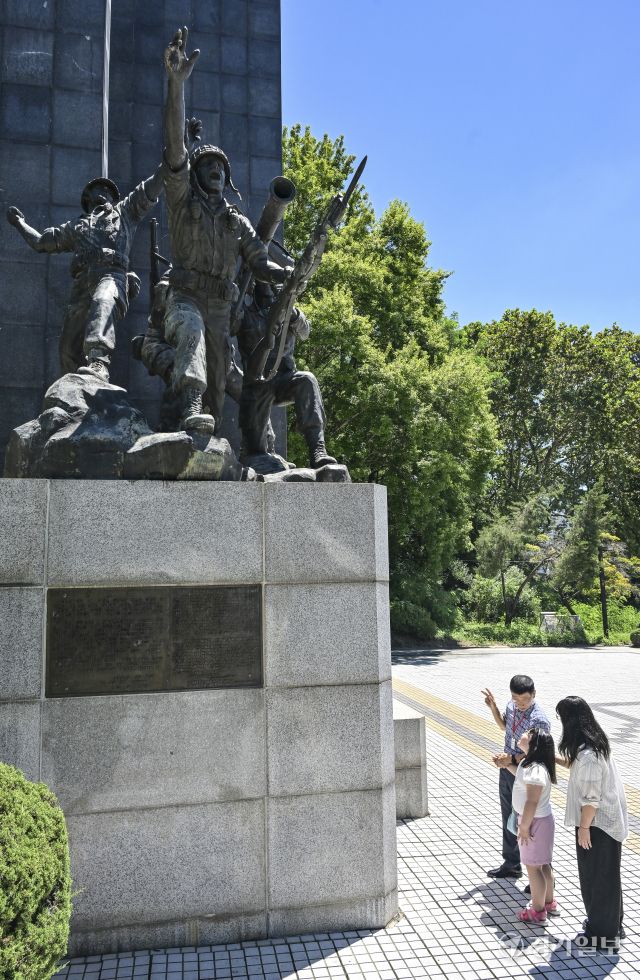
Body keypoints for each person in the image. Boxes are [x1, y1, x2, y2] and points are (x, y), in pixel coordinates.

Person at [161, 27, 290, 434]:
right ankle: (190, 403)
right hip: (185, 297)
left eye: (221, 167)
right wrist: (176, 85)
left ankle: (202, 431)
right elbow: (175, 149)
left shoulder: (237, 220)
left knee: (218, 389)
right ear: (196, 175)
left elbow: (260, 262)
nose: (216, 170)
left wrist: (288, 274)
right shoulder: (182, 200)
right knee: (191, 334)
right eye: (208, 166)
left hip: (220, 307)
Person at [6, 171, 163, 381]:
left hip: (112, 274)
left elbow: (149, 188)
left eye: (109, 191)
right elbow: (41, 242)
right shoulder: (76, 226)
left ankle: (99, 362)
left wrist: (172, 164)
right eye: (100, 188)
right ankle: (70, 387)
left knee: (103, 301)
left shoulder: (124, 212)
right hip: (82, 282)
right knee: (67, 347)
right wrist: (19, 223)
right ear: (88, 197)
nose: (105, 192)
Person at [237, 282, 337, 469]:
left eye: (273, 289)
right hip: (256, 384)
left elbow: (305, 332)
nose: (270, 292)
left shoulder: (288, 312)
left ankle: (318, 450)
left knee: (307, 380)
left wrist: (293, 314)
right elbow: (228, 329)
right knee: (256, 450)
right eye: (265, 287)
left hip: (284, 380)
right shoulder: (245, 313)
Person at [556, 696, 628, 953]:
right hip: (605, 824)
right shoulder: (595, 744)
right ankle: (613, 927)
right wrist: (550, 757)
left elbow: (590, 800)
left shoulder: (588, 756)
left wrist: (584, 828)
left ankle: (602, 935)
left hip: (598, 826)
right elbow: (576, 767)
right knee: (607, 877)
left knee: (597, 879)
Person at [482, 675, 551, 880]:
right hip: (508, 768)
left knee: (532, 820)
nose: (520, 703)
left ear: (534, 694)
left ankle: (542, 873)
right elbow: (504, 726)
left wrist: (510, 758)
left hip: (528, 773)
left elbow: (537, 751)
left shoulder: (539, 719)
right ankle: (512, 863)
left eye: (525, 699)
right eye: (515, 698)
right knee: (509, 816)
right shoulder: (511, 706)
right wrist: (493, 708)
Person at [497, 727, 558, 923]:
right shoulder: (528, 763)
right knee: (542, 864)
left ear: (534, 744)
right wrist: (506, 765)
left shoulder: (536, 769)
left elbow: (532, 801)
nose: (523, 734)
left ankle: (538, 911)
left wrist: (524, 827)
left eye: (528, 734)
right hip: (537, 822)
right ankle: (548, 902)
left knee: (533, 867)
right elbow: (521, 778)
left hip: (533, 823)